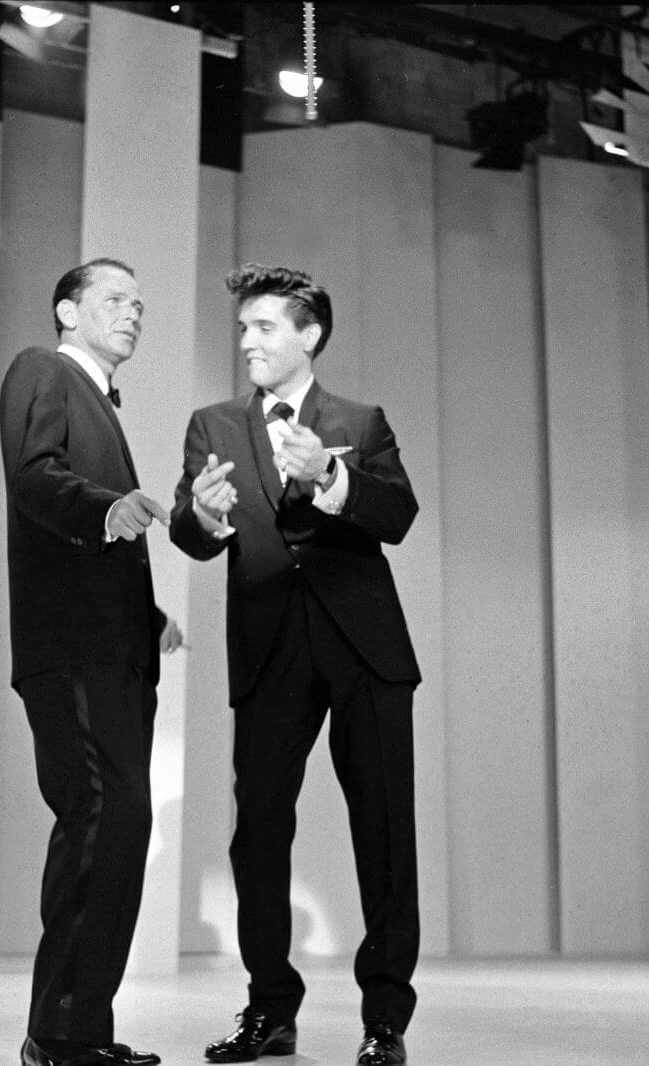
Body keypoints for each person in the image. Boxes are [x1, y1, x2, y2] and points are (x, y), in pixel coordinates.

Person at [170, 264, 421, 1066]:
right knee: (260, 835)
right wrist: (201, 519)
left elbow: (398, 515)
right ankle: (269, 1009)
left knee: (383, 834)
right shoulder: (212, 425)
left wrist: (334, 477)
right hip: (270, 646)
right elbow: (189, 529)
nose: (247, 341)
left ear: (309, 334)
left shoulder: (360, 418)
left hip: (364, 648)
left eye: (264, 327)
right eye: (242, 329)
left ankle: (385, 1019)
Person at [0, 258, 181, 1066]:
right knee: (101, 816)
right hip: (71, 650)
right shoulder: (44, 370)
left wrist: (149, 618)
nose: (133, 313)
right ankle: (59, 1036)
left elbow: (102, 537)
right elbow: (36, 479)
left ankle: (78, 1031)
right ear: (67, 311)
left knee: (119, 827)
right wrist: (105, 509)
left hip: (112, 650)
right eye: (115, 299)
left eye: (141, 304)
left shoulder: (103, 405)